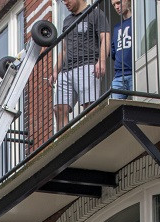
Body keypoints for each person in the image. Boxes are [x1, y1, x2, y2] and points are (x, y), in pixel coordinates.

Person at [54, 0, 112, 129]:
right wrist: (55, 71)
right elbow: (64, 49)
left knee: (89, 106)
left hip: (87, 65)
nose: (65, 3)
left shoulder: (96, 13)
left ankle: (93, 137)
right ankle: (64, 144)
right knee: (59, 109)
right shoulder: (66, 21)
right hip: (66, 69)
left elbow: (105, 38)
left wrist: (101, 61)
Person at [110, 0, 133, 98]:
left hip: (134, 72)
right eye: (114, 5)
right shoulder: (116, 27)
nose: (116, 7)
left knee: (141, 106)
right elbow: (113, 52)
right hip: (119, 75)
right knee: (113, 109)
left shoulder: (137, 21)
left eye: (118, 3)